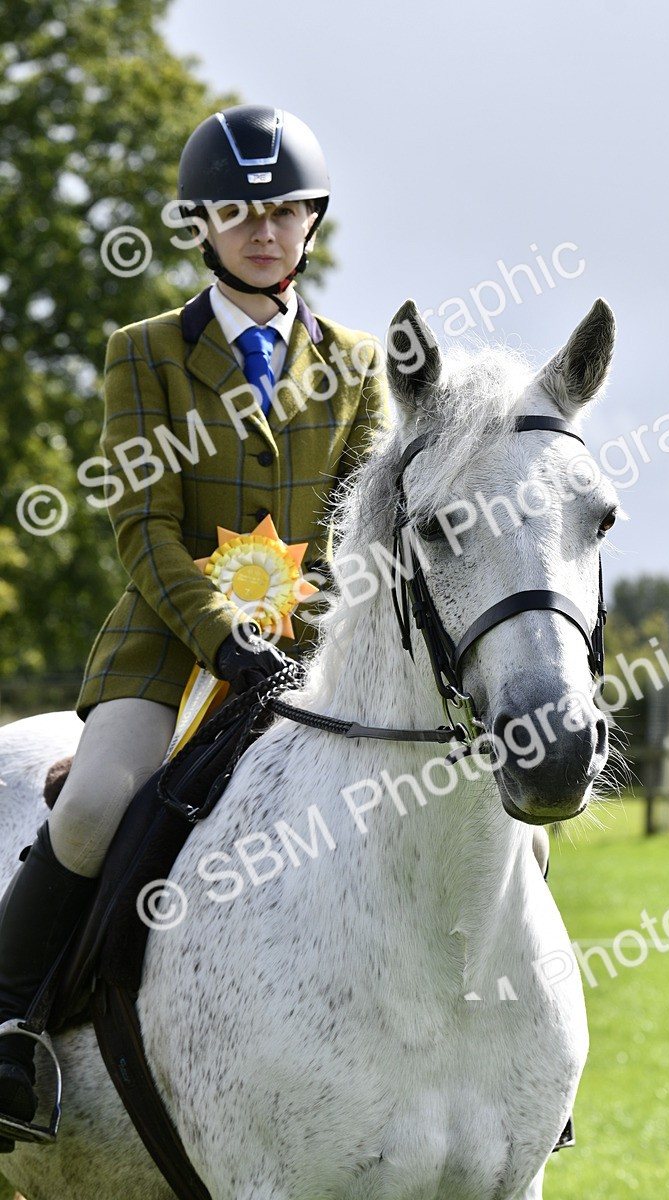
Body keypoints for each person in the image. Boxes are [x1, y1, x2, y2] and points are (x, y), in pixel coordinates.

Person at [0, 104, 387, 1147]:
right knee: (92, 807)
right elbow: (144, 528)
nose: (263, 230)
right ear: (201, 226)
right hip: (169, 648)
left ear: (311, 222)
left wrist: (318, 624)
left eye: (283, 211)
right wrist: (224, 638)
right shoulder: (146, 354)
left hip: (312, 650)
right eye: (238, 212)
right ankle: (9, 1026)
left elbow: (360, 527)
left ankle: (502, 1052)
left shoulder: (357, 365)